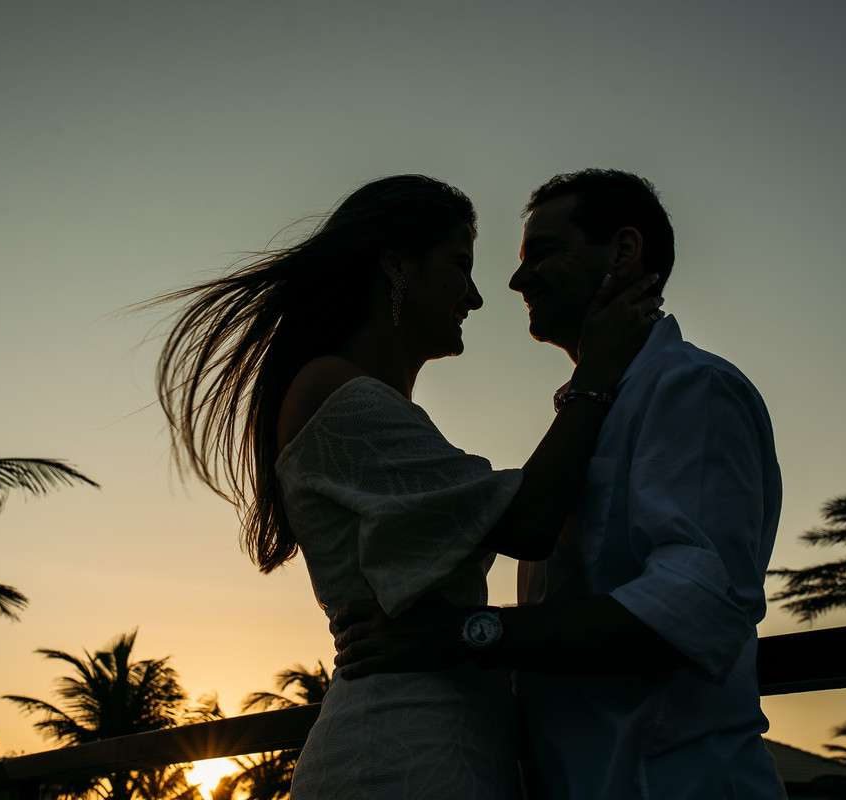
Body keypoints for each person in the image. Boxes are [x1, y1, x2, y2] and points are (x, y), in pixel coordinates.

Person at [151, 174, 663, 798]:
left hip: (434, 744)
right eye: (459, 265)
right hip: (402, 754)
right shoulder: (340, 395)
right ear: (397, 264)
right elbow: (529, 521)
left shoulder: (363, 401)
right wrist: (598, 373)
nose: (475, 297)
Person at [333, 169, 787, 799]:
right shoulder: (594, 410)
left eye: (542, 253)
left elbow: (695, 608)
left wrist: (466, 633)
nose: (517, 281)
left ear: (623, 253)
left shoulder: (692, 390)